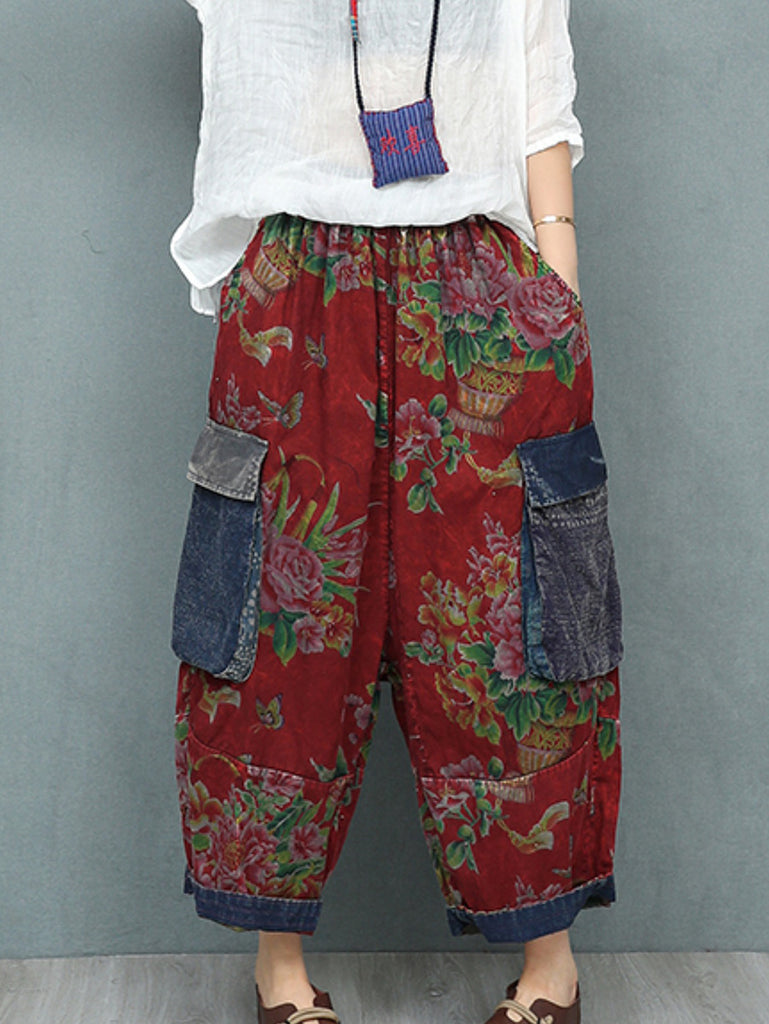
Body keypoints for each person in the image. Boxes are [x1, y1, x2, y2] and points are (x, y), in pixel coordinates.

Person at [170, 3, 623, 1024]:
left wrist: (558, 286)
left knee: (513, 630)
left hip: (481, 290)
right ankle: (279, 972)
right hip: (297, 288)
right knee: (277, 632)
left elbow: (539, 93)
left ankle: (550, 966)